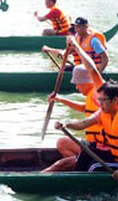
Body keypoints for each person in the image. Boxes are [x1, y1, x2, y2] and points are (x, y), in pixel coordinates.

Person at [54, 80, 118, 180]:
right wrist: (66, 125)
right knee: (86, 152)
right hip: (117, 157)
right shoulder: (104, 112)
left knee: (94, 168)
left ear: (115, 100)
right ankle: (77, 184)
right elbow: (83, 123)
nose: (100, 104)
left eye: (103, 100)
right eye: (99, 100)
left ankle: (90, 192)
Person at [42, 38, 107, 172]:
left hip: (103, 147)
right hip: (93, 144)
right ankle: (80, 165)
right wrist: (60, 99)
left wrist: (76, 46)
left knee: (58, 166)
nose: (76, 87)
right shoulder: (91, 97)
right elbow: (85, 109)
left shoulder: (98, 91)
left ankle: (73, 164)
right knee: (62, 143)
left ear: (86, 82)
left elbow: (93, 70)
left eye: (78, 84)